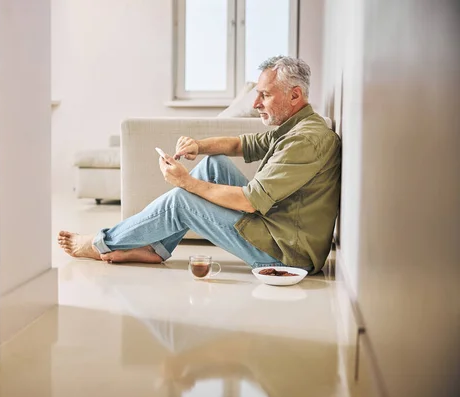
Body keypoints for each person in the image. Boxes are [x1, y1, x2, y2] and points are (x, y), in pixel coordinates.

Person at [58, 55, 341, 274]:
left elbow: (250, 202)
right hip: (279, 229)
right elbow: (240, 144)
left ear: (294, 95)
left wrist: (185, 182)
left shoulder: (305, 141)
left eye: (265, 95)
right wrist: (199, 145)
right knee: (213, 164)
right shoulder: (298, 126)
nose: (256, 103)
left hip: (286, 254)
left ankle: (99, 243)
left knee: (181, 200)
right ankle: (156, 248)